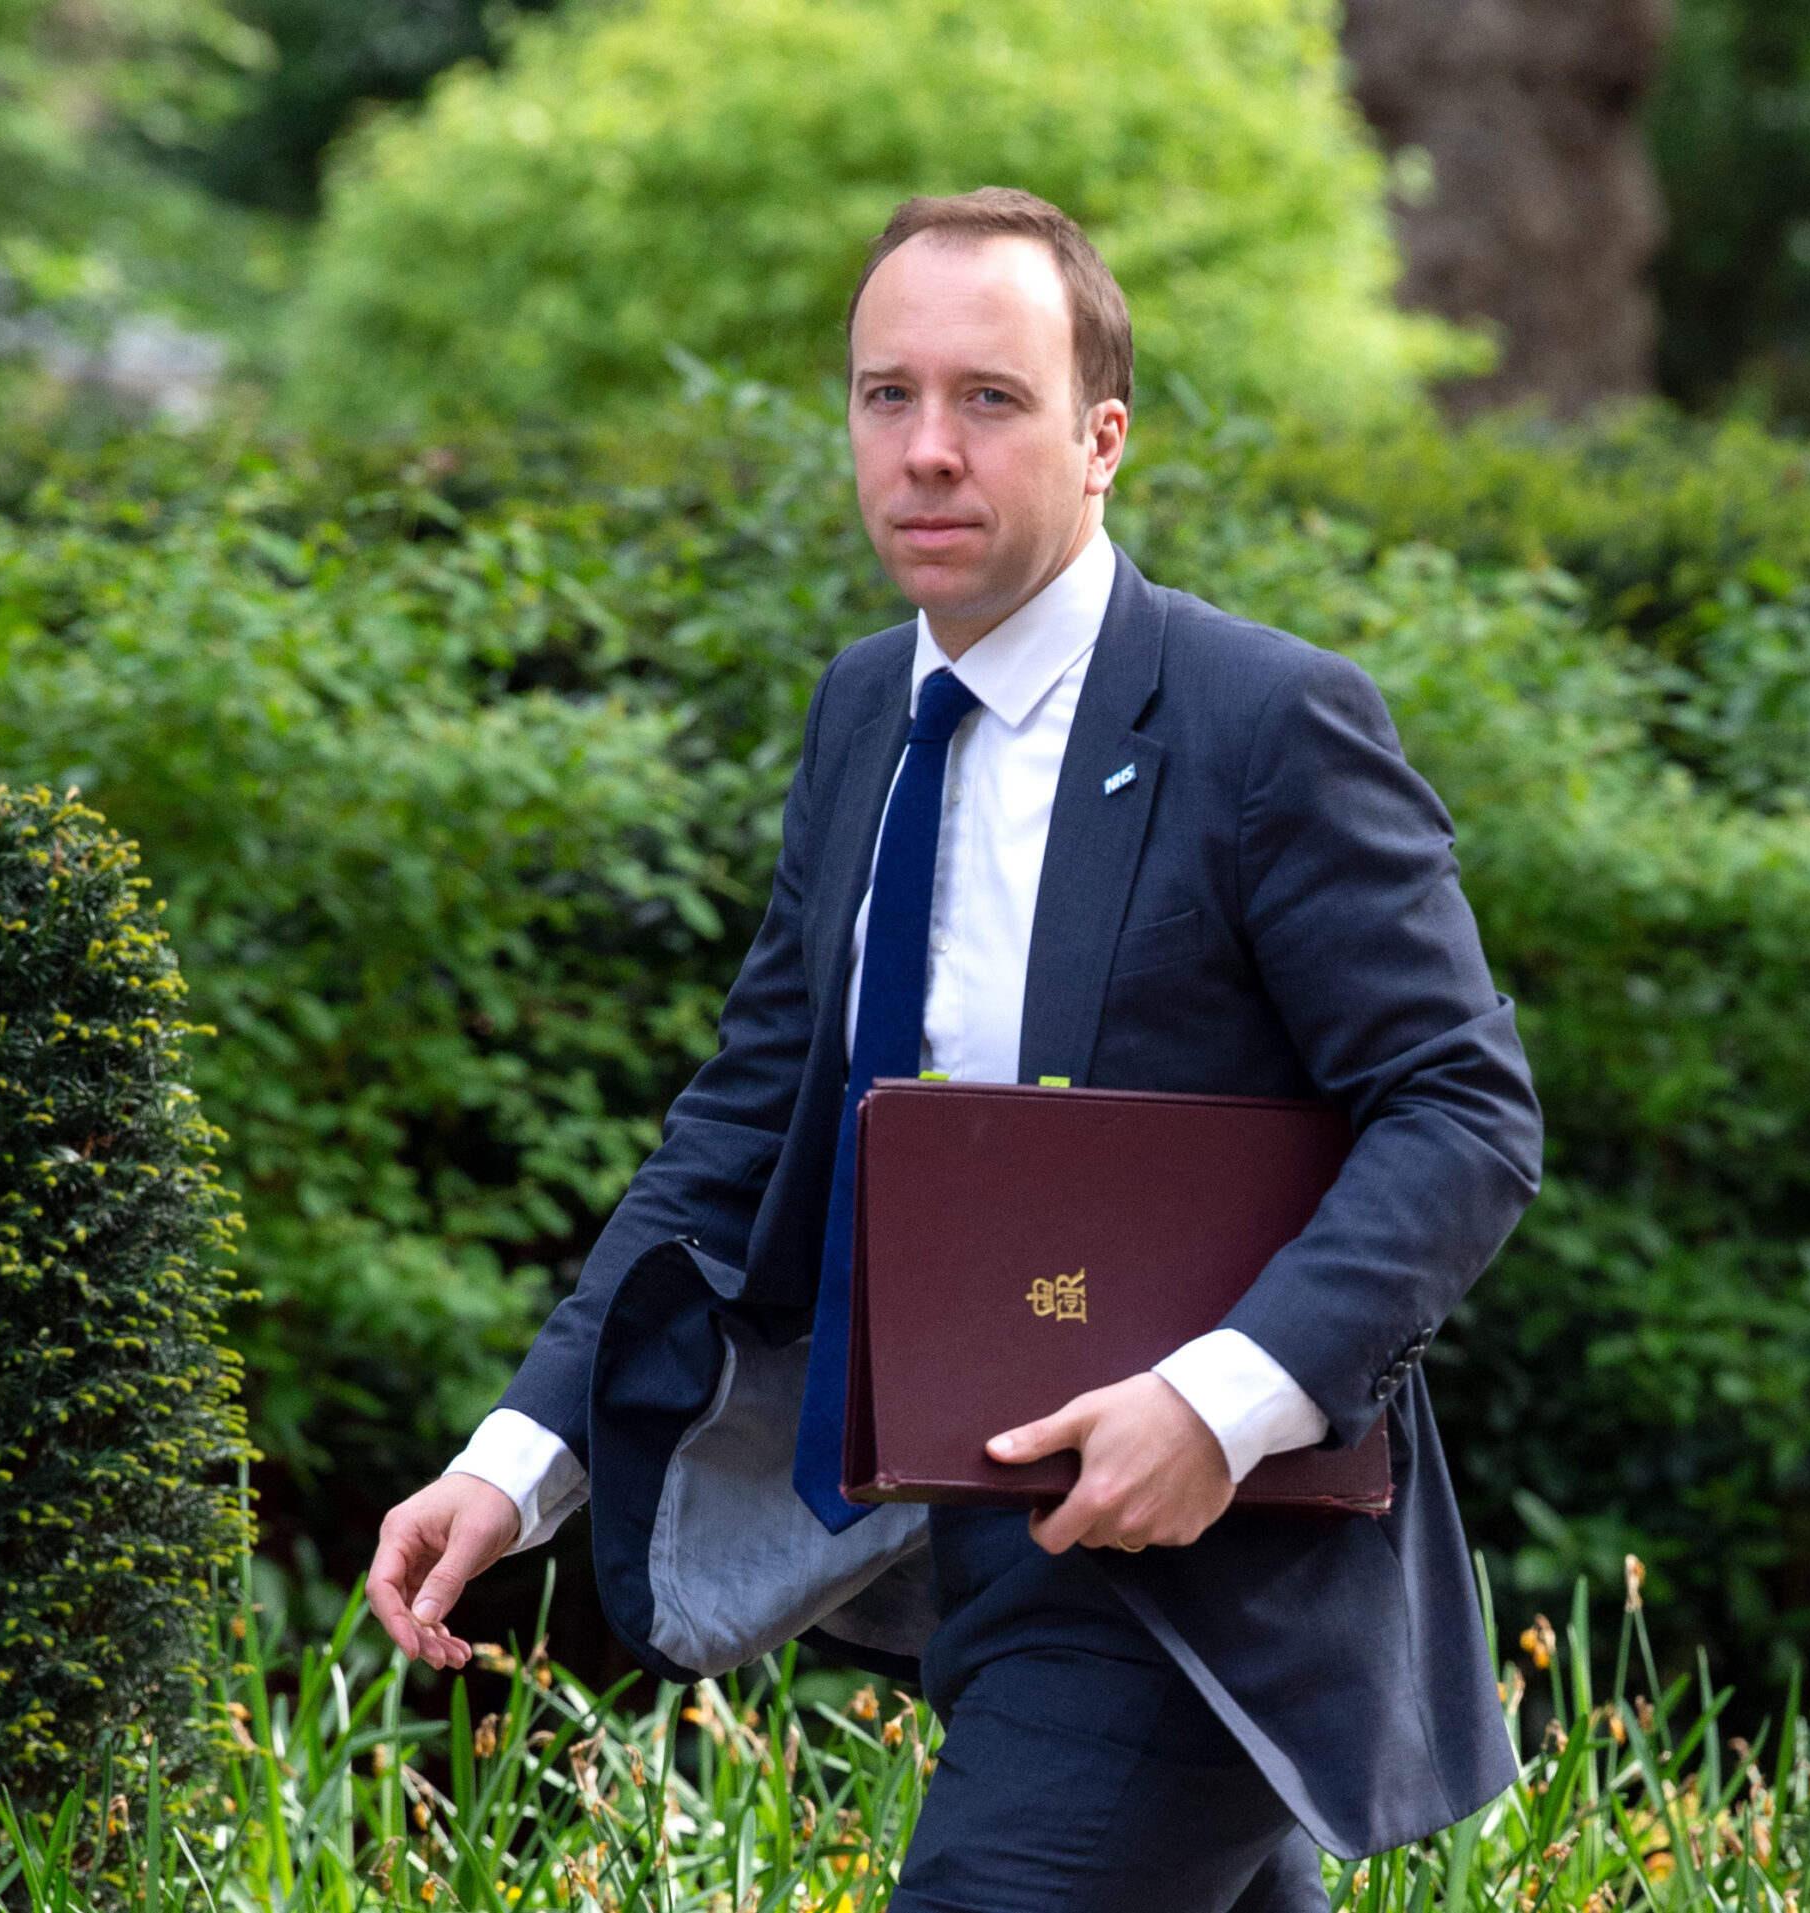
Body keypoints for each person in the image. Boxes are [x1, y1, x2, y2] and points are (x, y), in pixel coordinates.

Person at [366, 187, 1544, 1913]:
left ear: (1101, 440)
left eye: (990, 399)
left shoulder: (1264, 722)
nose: (927, 449)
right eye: (885, 395)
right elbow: (745, 1121)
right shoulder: (864, 710)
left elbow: (1462, 1110)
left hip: (1200, 1580)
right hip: (957, 1547)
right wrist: (516, 1457)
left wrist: (1217, 1406)